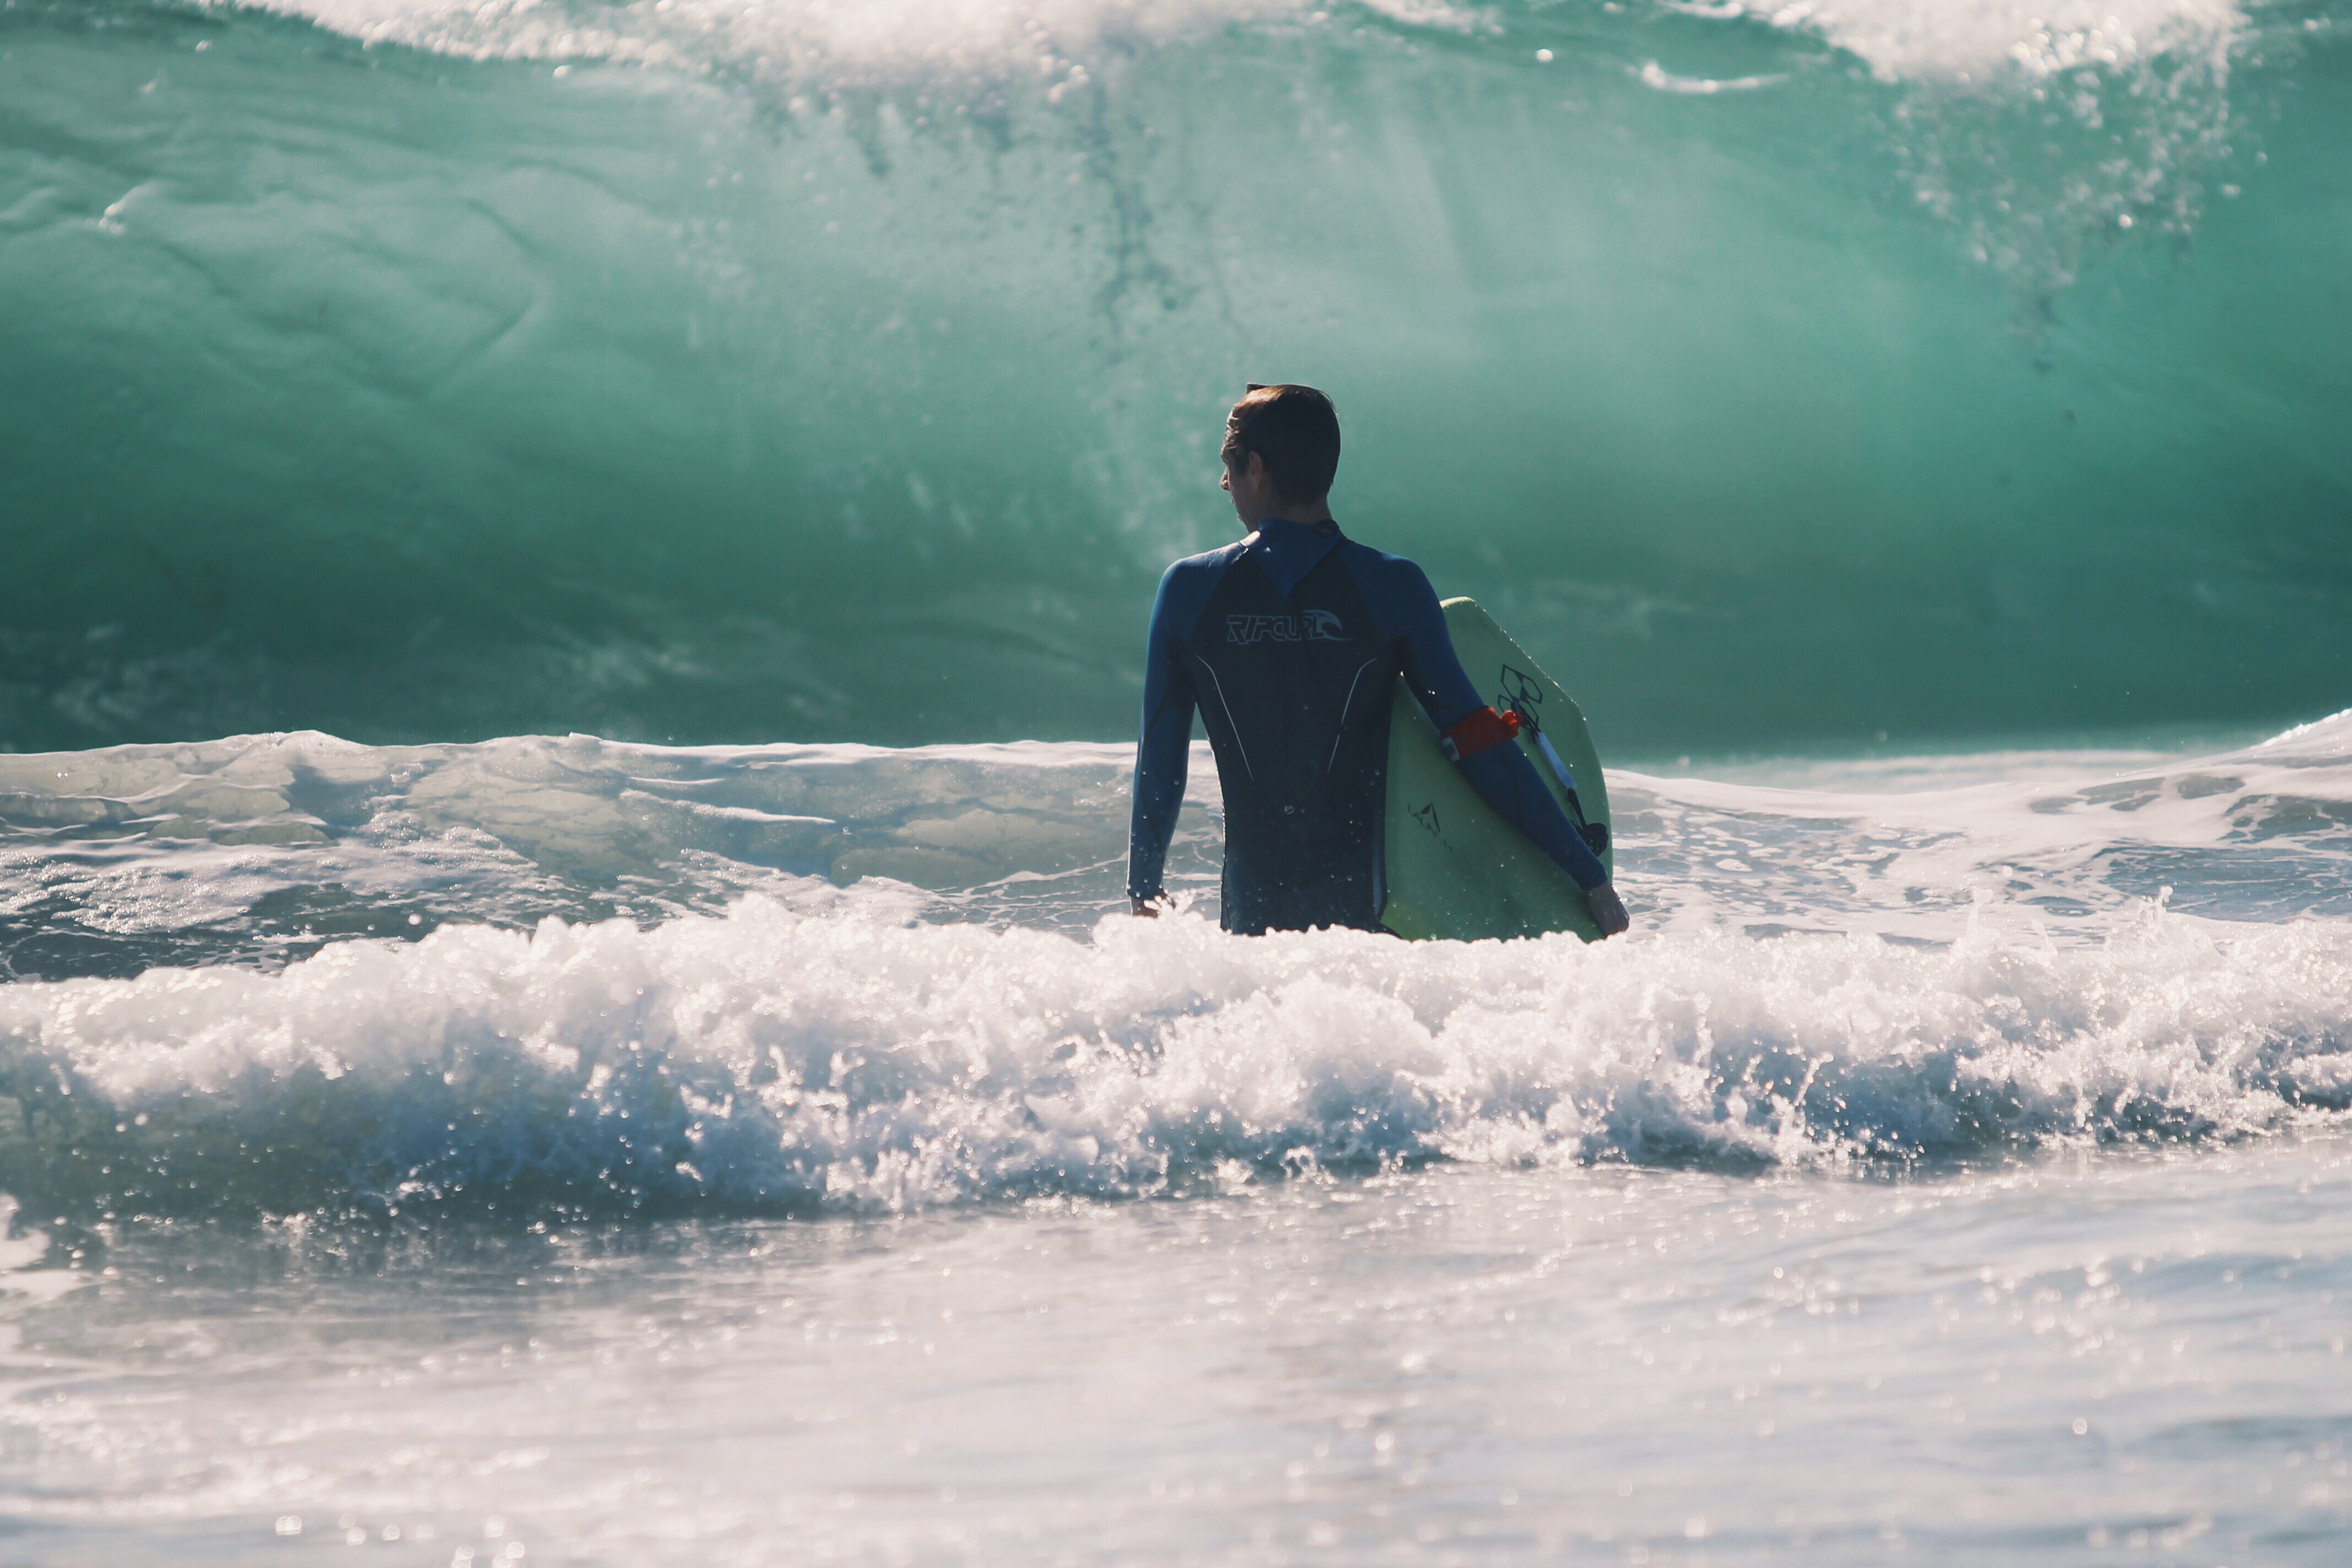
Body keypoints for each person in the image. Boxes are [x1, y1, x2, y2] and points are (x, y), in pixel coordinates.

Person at [1126, 384, 1632, 938]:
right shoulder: (1391, 587)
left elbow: (1161, 761)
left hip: (1253, 931)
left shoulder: (1189, 590)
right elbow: (1479, 744)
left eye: (1228, 470)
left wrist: (1144, 892)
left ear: (1255, 466)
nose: (1226, 487)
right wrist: (1589, 876)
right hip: (1376, 931)